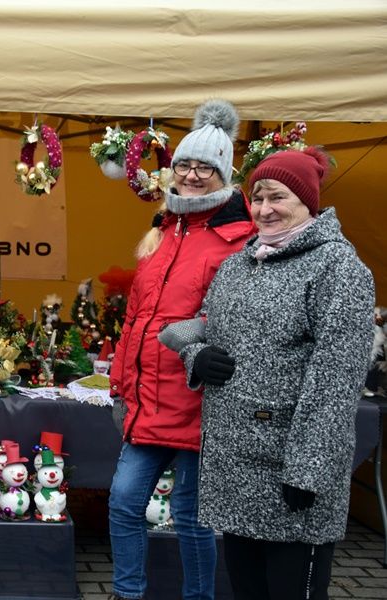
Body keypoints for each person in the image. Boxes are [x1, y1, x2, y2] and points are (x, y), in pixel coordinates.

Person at [171, 147, 374, 599]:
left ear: (308, 203)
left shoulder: (338, 269)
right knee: (247, 590)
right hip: (236, 467)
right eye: (258, 197)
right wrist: (196, 356)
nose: (264, 209)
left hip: (291, 472)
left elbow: (337, 379)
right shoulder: (238, 264)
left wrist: (309, 469)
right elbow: (203, 325)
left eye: (277, 197)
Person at [107, 99, 256, 600]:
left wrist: (186, 336)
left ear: (224, 174)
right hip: (148, 401)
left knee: (191, 518)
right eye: (184, 164)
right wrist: (120, 385)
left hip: (199, 404)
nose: (192, 175)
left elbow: (235, 320)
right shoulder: (163, 230)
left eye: (205, 168)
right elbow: (136, 319)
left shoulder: (241, 239)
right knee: (123, 504)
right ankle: (128, 594)